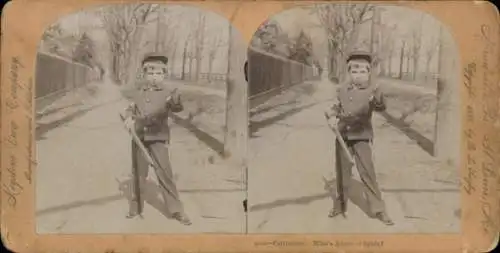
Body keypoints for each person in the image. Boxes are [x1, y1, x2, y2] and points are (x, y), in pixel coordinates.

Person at [325, 50, 394, 226]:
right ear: (349, 73)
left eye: (363, 71)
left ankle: (379, 209)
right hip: (343, 135)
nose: (358, 75)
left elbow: (380, 106)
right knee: (342, 172)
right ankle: (340, 205)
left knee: (367, 172)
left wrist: (377, 95)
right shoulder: (342, 89)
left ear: (368, 73)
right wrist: (331, 114)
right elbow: (337, 107)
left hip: (361, 136)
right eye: (354, 72)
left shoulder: (372, 91)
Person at [123, 52, 191, 225]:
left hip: (158, 137)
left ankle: (176, 209)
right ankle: (135, 207)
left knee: (165, 173)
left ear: (164, 75)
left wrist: (175, 100)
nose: (155, 77)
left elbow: (176, 107)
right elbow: (131, 108)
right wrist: (129, 118)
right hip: (139, 137)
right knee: (138, 173)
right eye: (151, 73)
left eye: (159, 73)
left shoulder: (168, 93)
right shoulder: (138, 91)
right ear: (144, 74)